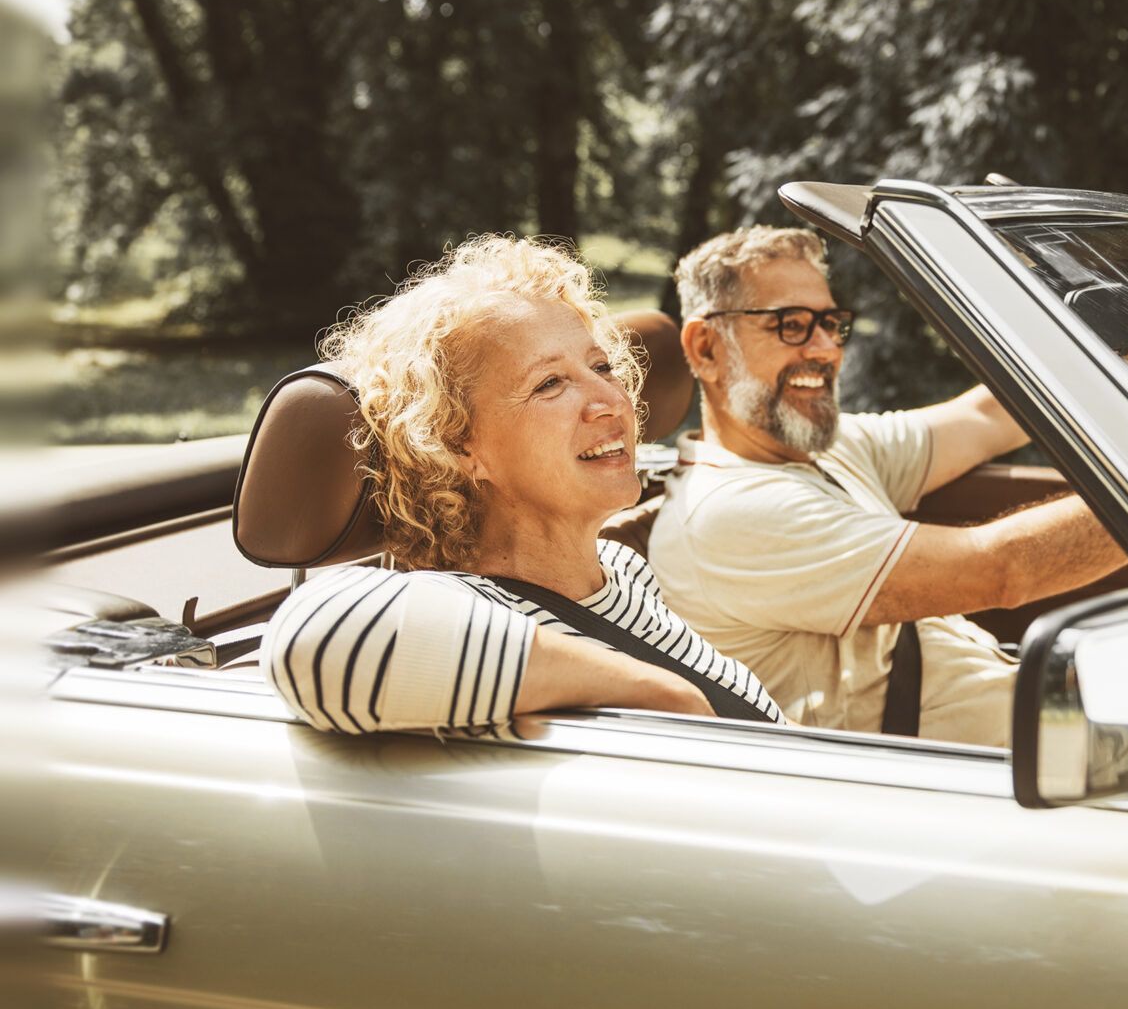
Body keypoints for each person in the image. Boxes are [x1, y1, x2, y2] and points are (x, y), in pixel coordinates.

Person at [261, 236, 784, 735]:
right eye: (549, 383)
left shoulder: (623, 575)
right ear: (458, 444)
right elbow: (313, 637)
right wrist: (666, 695)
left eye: (601, 366)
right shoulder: (468, 606)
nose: (610, 400)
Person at [646, 226, 1128, 746]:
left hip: (1049, 726)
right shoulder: (728, 513)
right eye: (791, 325)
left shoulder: (824, 447)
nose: (827, 348)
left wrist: (1110, 340)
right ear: (706, 349)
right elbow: (1003, 570)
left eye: (831, 324)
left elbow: (986, 418)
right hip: (967, 789)